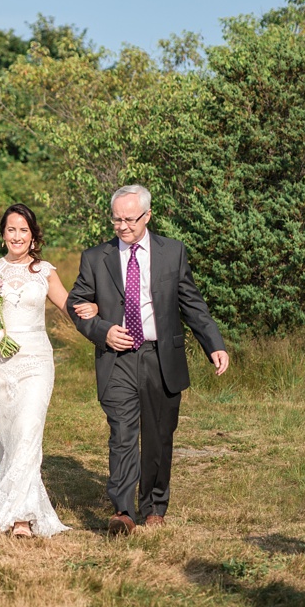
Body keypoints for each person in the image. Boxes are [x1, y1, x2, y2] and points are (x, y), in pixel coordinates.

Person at [65, 185, 228, 536]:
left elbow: (192, 304)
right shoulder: (96, 257)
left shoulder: (173, 252)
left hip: (160, 357)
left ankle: (154, 505)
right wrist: (101, 329)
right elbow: (75, 304)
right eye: (116, 219)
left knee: (158, 434)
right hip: (117, 359)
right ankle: (123, 510)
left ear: (147, 216)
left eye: (129, 219)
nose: (122, 226)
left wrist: (213, 343)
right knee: (122, 432)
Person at [0, 204, 96, 538]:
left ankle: (22, 519)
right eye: (11, 229)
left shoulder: (44, 272)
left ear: (33, 235)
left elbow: (70, 308)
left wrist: (97, 313)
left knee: (27, 433)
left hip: (36, 362)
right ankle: (6, 506)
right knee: (8, 440)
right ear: (2, 235)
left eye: (23, 230)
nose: (17, 236)